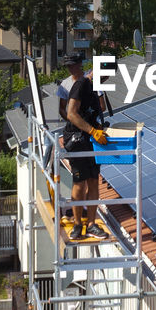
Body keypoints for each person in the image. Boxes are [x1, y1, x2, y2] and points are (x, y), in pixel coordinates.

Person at [62, 55, 109, 240]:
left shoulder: (95, 87)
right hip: (78, 140)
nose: (105, 80)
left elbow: (99, 110)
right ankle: (77, 224)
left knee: (93, 181)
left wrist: (98, 131)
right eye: (104, 76)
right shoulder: (81, 84)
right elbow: (71, 114)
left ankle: (91, 224)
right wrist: (92, 131)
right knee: (79, 183)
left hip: (90, 140)